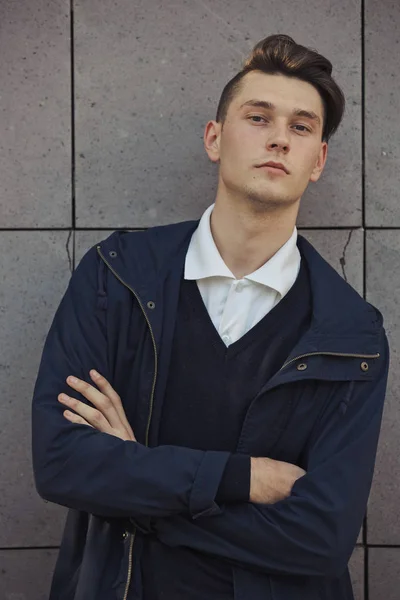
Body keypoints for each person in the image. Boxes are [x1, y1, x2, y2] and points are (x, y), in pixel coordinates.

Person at [31, 34, 390, 600]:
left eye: (301, 126)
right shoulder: (117, 276)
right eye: (258, 116)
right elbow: (60, 462)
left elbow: (321, 537)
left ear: (318, 160)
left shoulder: (352, 332)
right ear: (214, 138)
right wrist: (242, 479)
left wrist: (137, 487)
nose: (278, 137)